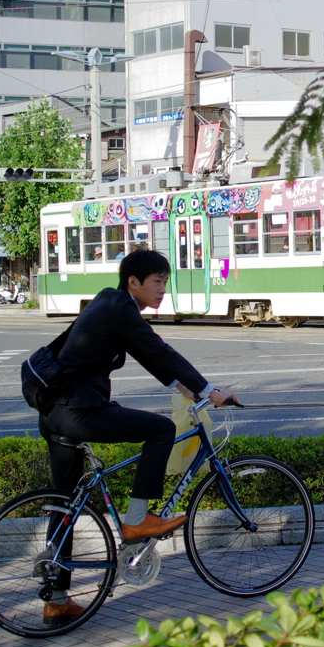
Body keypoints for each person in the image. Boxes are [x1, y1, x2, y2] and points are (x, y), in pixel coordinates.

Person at [38, 249, 237, 623]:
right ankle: (136, 520)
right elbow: (159, 350)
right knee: (160, 429)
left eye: (166, 281)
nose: (163, 289)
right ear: (134, 282)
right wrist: (210, 390)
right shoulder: (119, 309)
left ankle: (57, 598)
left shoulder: (110, 302)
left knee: (64, 504)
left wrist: (187, 389)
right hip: (79, 411)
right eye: (158, 281)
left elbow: (150, 357)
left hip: (54, 412)